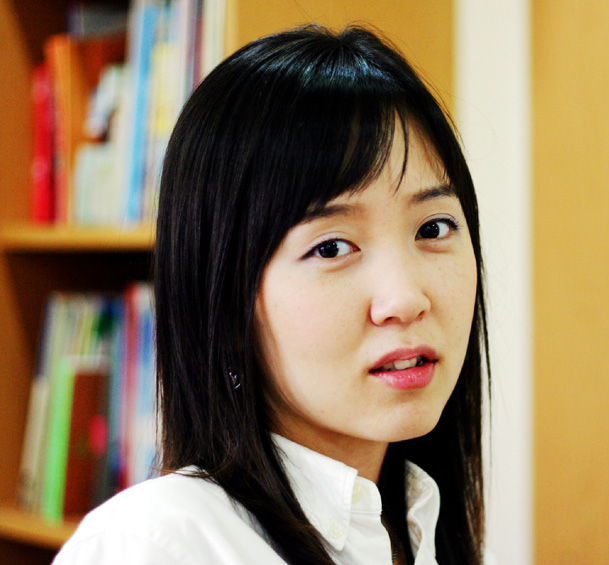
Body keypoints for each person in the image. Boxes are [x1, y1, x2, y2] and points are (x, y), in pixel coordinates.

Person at [53, 24, 490, 565]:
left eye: (433, 228)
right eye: (331, 247)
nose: (405, 298)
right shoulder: (155, 545)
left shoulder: (434, 535)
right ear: (225, 301)